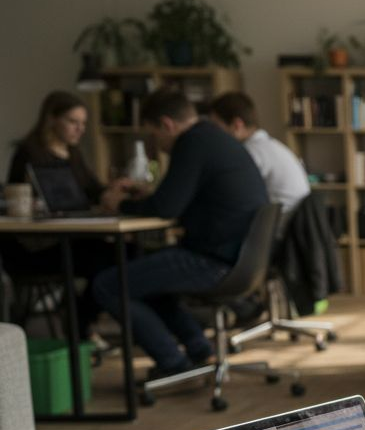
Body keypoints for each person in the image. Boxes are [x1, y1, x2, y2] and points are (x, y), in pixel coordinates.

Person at [92, 88, 267, 378]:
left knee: (108, 286)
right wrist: (146, 194)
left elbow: (166, 207)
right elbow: (176, 198)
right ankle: (200, 350)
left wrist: (119, 203)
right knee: (146, 282)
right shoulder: (212, 137)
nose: (156, 144)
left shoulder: (192, 143)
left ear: (166, 124)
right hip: (240, 258)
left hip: (214, 260)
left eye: (154, 135)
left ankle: (173, 364)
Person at [2, 91, 118, 340]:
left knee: (122, 253)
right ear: (52, 119)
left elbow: (93, 190)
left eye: (83, 123)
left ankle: (82, 321)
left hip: (71, 238)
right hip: (36, 247)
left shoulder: (73, 154)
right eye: (73, 122)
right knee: (106, 259)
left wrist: (116, 190)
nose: (80, 129)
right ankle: (80, 327)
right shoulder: (29, 153)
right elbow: (15, 201)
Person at [207, 91, 310, 213]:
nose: (213, 134)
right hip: (287, 216)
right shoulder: (267, 145)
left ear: (237, 125)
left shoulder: (252, 152)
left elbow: (233, 191)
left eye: (216, 127)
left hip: (280, 219)